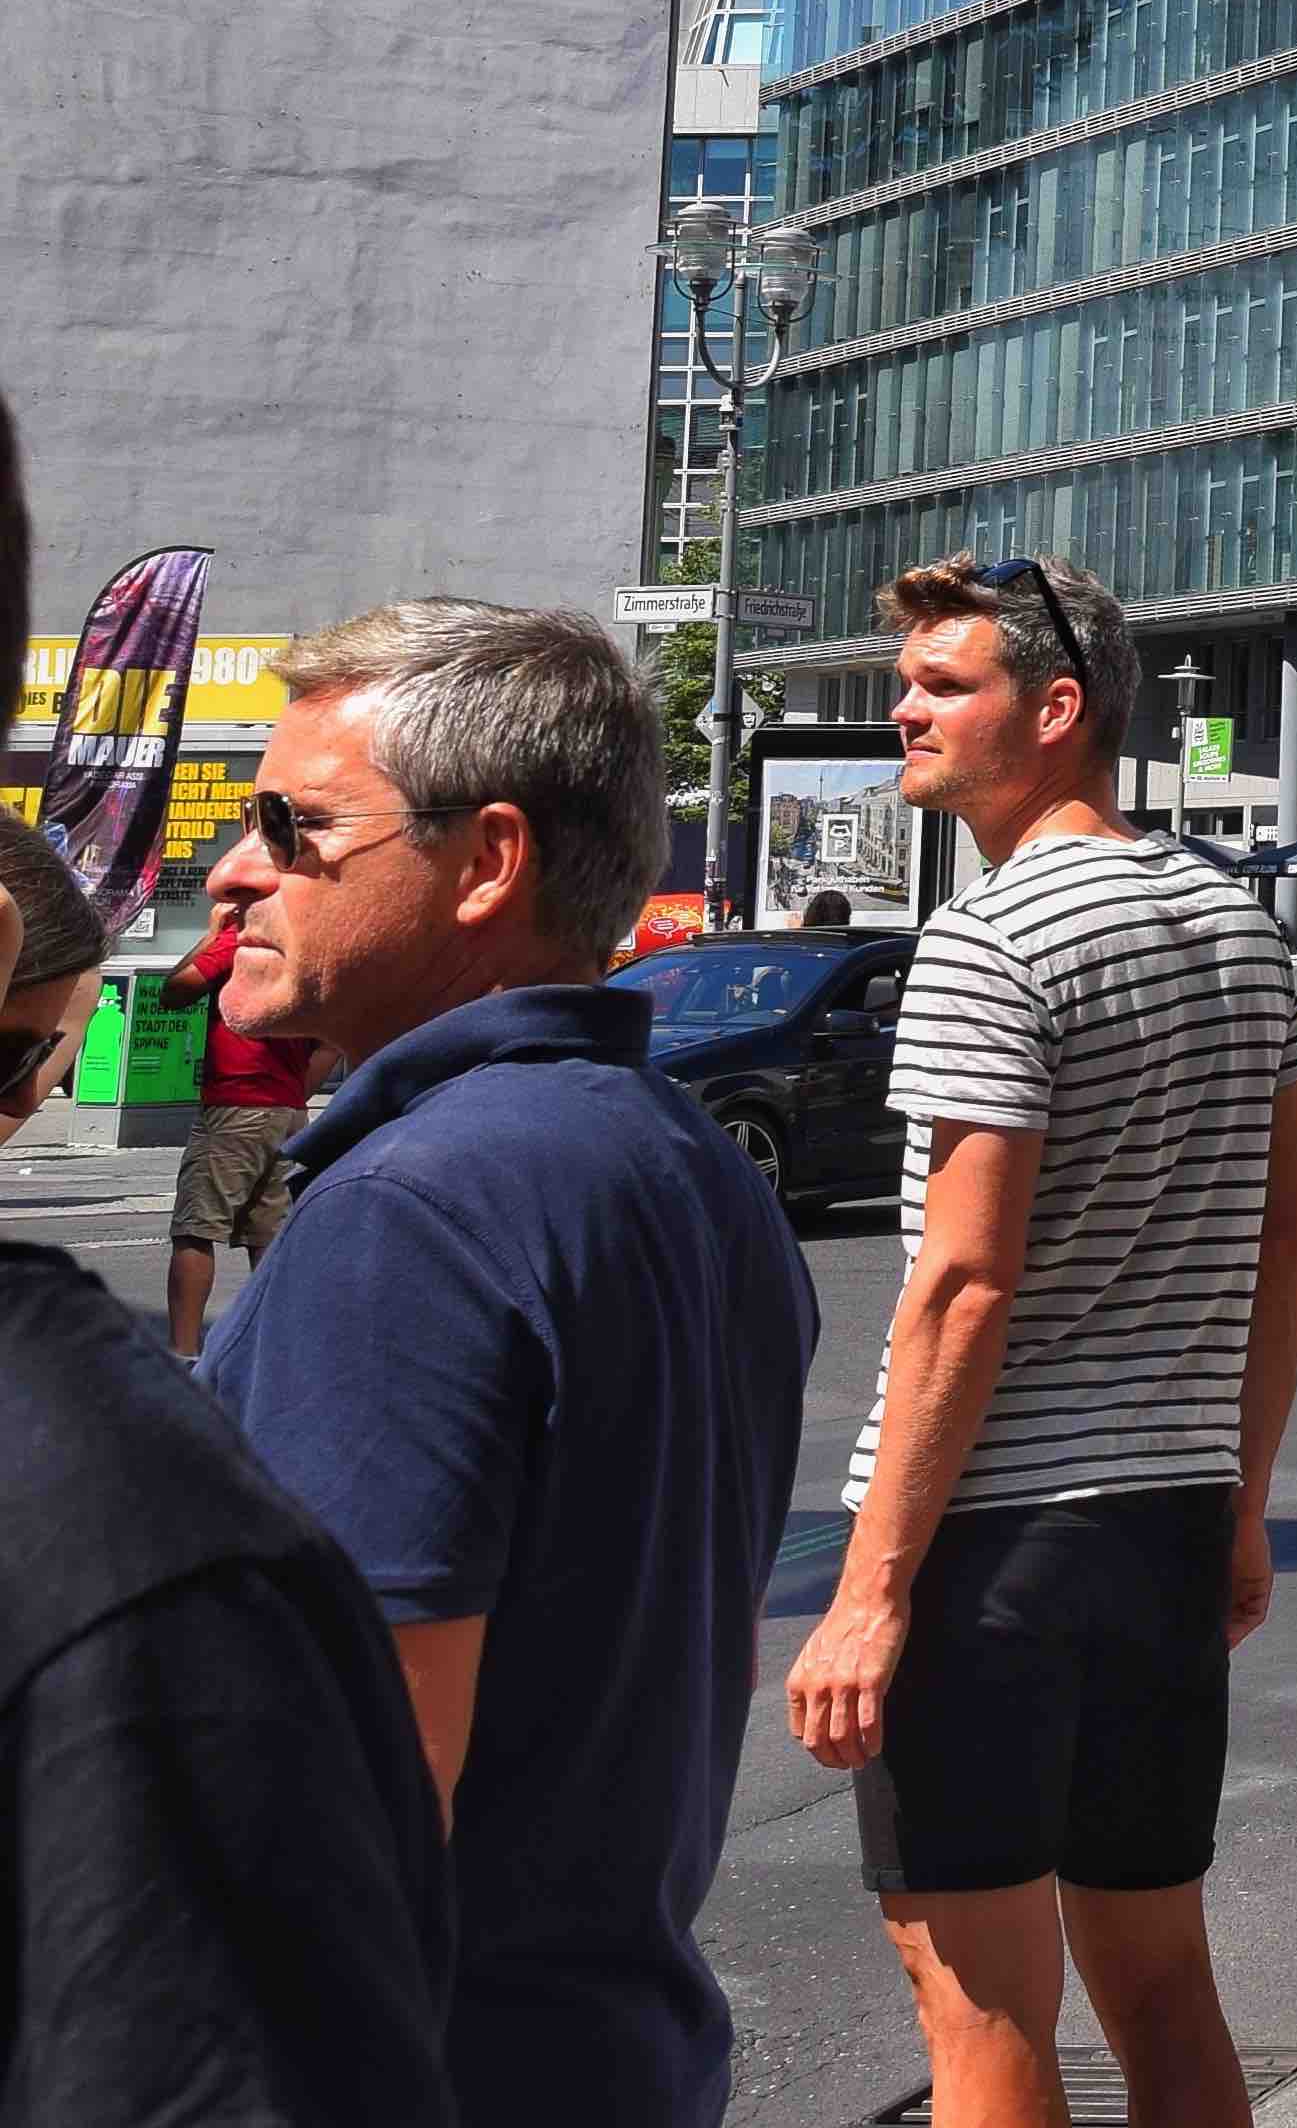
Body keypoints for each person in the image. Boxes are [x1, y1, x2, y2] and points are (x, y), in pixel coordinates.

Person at [174, 608, 812, 2127]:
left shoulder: (410, 1213)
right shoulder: (688, 1167)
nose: (234, 869)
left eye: (296, 825)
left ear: (490, 859)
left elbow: (351, 1815)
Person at [789, 557, 1297, 2128]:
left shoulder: (990, 939)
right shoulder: (1239, 926)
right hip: (1160, 1523)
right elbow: (1282, 1240)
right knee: (1163, 1980)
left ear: (1059, 708)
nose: (906, 707)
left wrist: (873, 1586)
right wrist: (1238, 1497)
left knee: (981, 2007)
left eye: (946, 684)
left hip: (992, 1544)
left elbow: (964, 1282)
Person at [0, 811, 466, 2128]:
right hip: (278, 1127)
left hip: (238, 1118)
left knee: (207, 1228)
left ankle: (211, 1331)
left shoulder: (123, 1502)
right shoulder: (141, 1499)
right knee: (253, 1229)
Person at [146, 876, 322, 1355]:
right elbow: (327, 1043)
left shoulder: (243, 939)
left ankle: (183, 1352)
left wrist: (210, 936)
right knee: (266, 1234)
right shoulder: (305, 944)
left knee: (195, 1228)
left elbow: (175, 991)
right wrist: (293, 1092)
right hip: (285, 1108)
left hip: (236, 1104)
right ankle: (269, 1347)